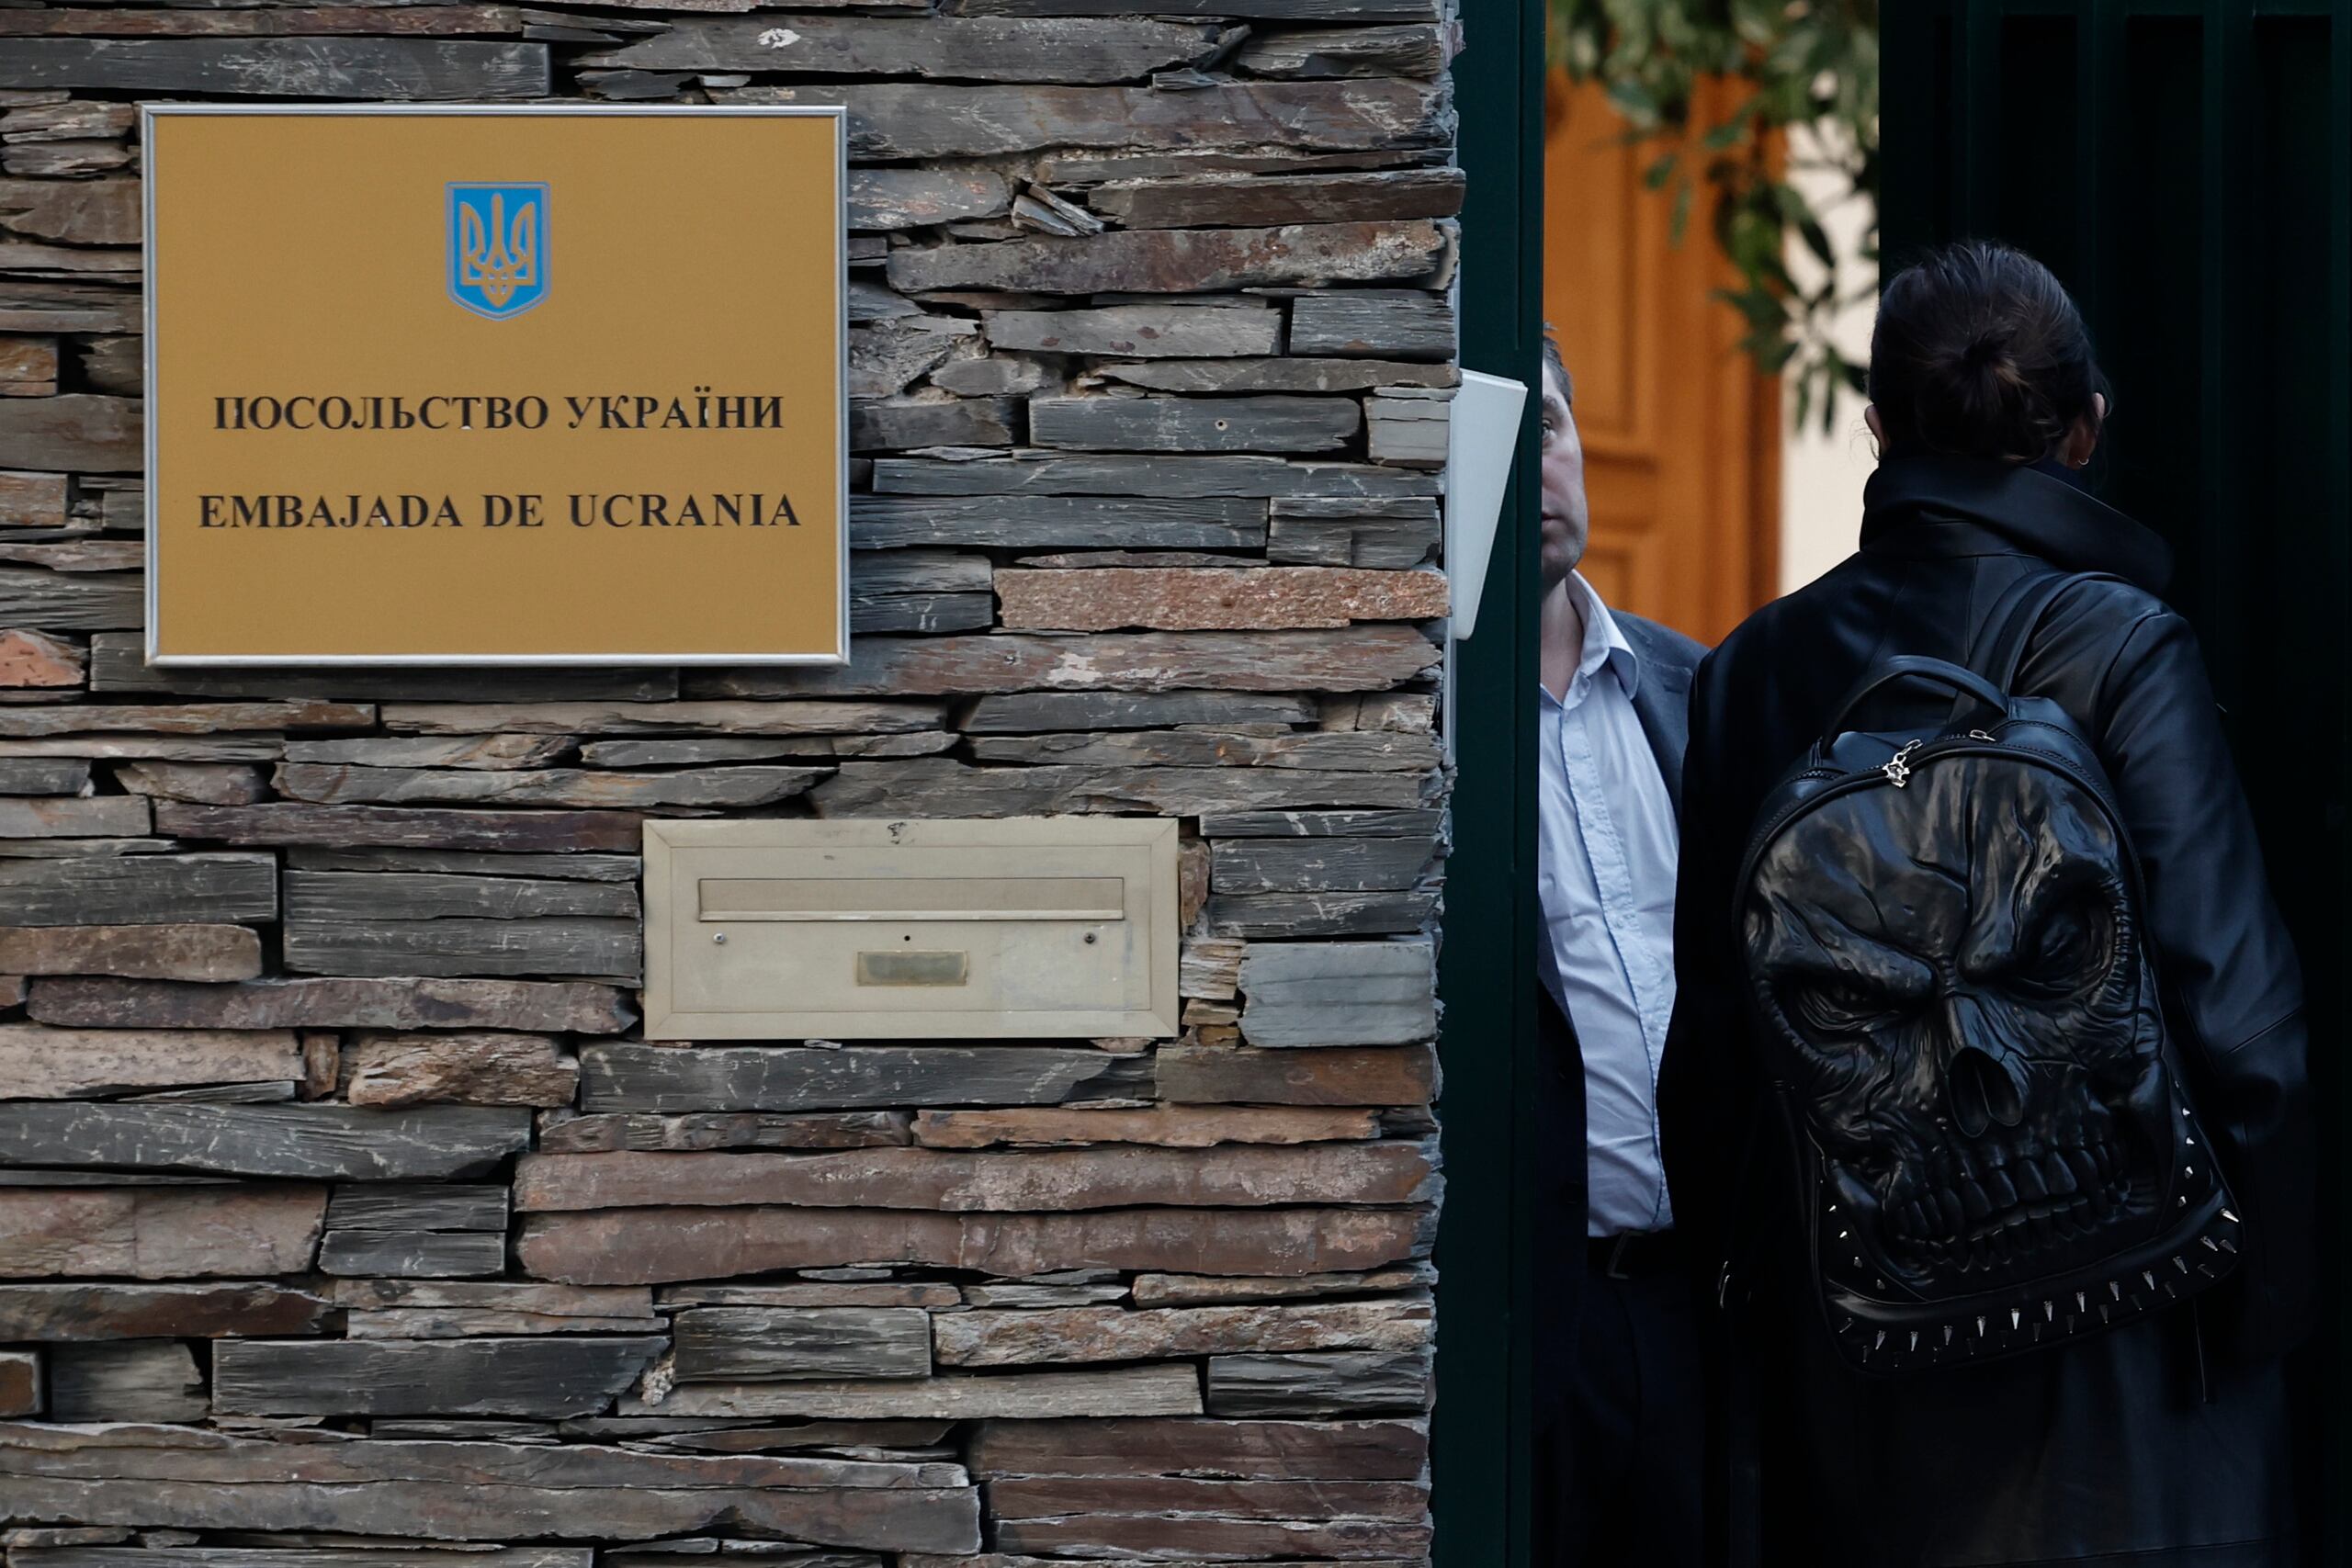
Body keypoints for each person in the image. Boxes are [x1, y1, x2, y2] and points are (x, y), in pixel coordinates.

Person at [1657, 241, 2313, 1567]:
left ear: (1879, 426)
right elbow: (2242, 1020)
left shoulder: (1744, 680)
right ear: (2084, 428)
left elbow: (1716, 1066)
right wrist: (2258, 1331)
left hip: (1860, 1368)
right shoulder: (2122, 646)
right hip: (2130, 1359)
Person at [1526, 328, 1711, 1568]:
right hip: (1535, 1321)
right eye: (1511, 434)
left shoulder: (1700, 689)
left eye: (1553, 428)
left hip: (1709, 1310)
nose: (1540, 469)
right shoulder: (1413, 726)